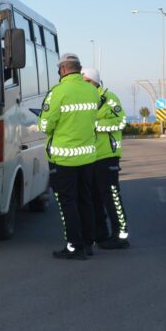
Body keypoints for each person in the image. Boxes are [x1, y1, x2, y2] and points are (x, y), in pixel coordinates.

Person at [38, 53, 100, 260]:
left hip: (64, 158)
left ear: (63, 69)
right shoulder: (92, 91)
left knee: (68, 203)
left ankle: (75, 247)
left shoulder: (58, 92)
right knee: (86, 200)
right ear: (79, 69)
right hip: (88, 157)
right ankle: (88, 243)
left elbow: (45, 125)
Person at [81, 68, 130, 250]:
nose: (85, 84)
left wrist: (94, 125)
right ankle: (100, 234)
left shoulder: (109, 98)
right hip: (88, 156)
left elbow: (121, 121)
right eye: (82, 81)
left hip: (107, 155)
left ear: (96, 82)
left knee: (111, 196)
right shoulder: (82, 100)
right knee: (94, 197)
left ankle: (120, 236)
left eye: (88, 81)